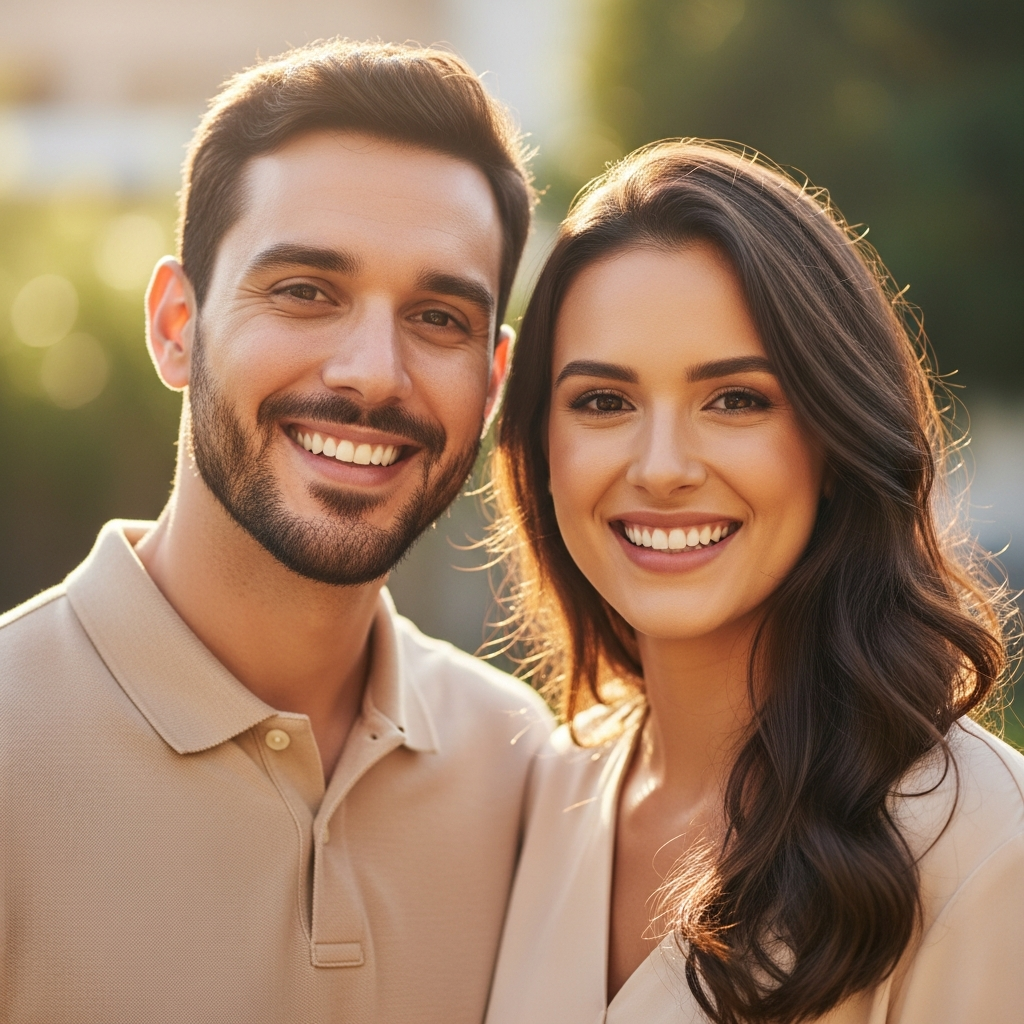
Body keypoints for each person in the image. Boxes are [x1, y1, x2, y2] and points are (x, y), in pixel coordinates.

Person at [0, 40, 553, 1024]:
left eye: (436, 316)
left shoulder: (528, 771)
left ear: (494, 379)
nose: (373, 373)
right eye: (305, 291)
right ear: (177, 324)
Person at [484, 141, 1024, 1023]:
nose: (661, 469)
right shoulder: (541, 792)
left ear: (835, 438)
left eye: (736, 399)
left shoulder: (984, 851)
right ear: (541, 447)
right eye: (602, 402)